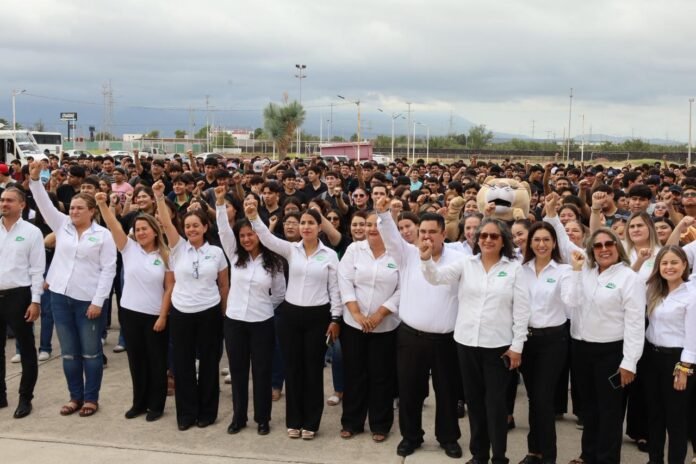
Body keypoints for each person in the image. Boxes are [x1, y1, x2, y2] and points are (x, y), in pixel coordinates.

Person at [420, 217, 530, 464]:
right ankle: (479, 454)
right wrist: (426, 260)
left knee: (495, 404)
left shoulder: (514, 269)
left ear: (503, 240)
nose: (488, 240)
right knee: (475, 402)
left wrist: (517, 346)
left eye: (494, 236)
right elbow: (436, 278)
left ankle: (499, 456)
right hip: (467, 343)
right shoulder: (465, 264)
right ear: (477, 239)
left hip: (498, 347)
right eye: (483, 236)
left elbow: (522, 311)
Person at [375, 197, 464, 459]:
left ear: (443, 234)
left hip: (446, 339)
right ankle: (411, 436)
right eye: (422, 231)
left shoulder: (459, 259)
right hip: (411, 337)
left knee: (447, 392)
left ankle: (448, 437)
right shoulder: (407, 255)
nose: (426, 237)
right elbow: (391, 236)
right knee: (410, 391)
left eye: (432, 232)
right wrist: (383, 213)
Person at [29, 162, 117, 418]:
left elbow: (108, 270)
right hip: (60, 297)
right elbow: (43, 203)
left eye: (80, 208)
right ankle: (75, 397)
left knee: (90, 352)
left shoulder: (103, 235)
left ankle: (91, 398)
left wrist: (98, 301)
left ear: (92, 211)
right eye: (72, 207)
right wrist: (34, 179)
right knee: (69, 354)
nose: (74, 211)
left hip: (88, 301)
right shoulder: (62, 226)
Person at [247, 203, 341, 440]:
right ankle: (294, 421)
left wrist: (336, 318)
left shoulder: (330, 255)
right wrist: (254, 217)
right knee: (293, 368)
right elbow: (267, 238)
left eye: (311, 223)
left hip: (318, 317)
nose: (306, 227)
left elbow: (335, 289)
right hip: (290, 317)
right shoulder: (291, 250)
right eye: (303, 223)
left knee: (313, 370)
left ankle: (311, 422)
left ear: (319, 227)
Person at [562, 228, 645, 464]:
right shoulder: (584, 272)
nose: (604, 249)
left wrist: (629, 362)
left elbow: (635, 323)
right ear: (591, 250)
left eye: (609, 243)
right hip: (581, 349)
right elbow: (571, 302)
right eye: (597, 246)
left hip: (611, 352)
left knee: (610, 411)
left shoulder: (629, 278)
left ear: (618, 247)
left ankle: (607, 459)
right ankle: (588, 455)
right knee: (588, 408)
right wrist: (576, 272)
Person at [154, 180, 229, 431]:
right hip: (182, 312)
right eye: (187, 226)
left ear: (205, 227)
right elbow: (166, 223)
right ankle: (186, 413)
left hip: (209, 312)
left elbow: (224, 285)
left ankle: (207, 412)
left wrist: (224, 313)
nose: (191, 229)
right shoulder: (178, 248)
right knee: (183, 364)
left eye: (196, 225)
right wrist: (158, 196)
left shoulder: (216, 253)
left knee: (208, 363)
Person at [95, 192, 173, 422]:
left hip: (155, 316)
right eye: (137, 229)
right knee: (136, 361)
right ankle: (139, 403)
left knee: (156, 362)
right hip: (130, 313)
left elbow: (169, 288)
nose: (140, 233)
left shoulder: (166, 255)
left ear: (155, 231)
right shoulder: (128, 248)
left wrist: (163, 316)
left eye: (144, 229)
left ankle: (156, 405)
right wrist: (102, 204)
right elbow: (112, 224)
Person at [215, 186, 286, 436]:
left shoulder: (274, 262)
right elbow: (223, 231)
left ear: (260, 234)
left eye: (251, 234)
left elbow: (279, 294)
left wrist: (263, 306)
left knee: (262, 372)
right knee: (238, 371)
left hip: (262, 322)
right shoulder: (235, 256)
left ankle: (262, 418)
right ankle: (239, 417)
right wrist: (220, 203)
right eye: (242, 235)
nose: (246, 239)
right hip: (234, 321)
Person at [337, 211, 400, 442]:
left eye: (378, 225)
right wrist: (356, 313)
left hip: (385, 326)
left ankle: (380, 424)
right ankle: (352, 422)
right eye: (369, 224)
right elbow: (344, 280)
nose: (373, 229)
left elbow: (403, 288)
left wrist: (380, 313)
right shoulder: (354, 250)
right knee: (354, 374)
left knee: (381, 375)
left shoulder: (398, 253)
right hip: (354, 324)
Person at [518, 221, 573, 464]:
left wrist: (577, 274)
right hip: (526, 340)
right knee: (534, 398)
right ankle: (535, 451)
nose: (541, 244)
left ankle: (549, 456)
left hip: (553, 341)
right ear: (530, 243)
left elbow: (571, 301)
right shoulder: (521, 270)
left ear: (554, 243)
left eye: (546, 240)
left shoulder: (564, 270)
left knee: (543, 398)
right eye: (537, 240)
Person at [643, 245, 695, 464]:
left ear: (684, 265)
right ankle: (654, 460)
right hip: (652, 358)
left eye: (674, 262)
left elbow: (693, 336)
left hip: (677, 361)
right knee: (654, 415)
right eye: (664, 263)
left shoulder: (691, 294)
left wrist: (684, 369)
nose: (669, 267)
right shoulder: (654, 290)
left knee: (676, 420)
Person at [0, 187, 45, 418]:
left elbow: (37, 269)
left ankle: (25, 398)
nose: (4, 204)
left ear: (22, 205)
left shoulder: (32, 232)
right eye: (2, 200)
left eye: (9, 200)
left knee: (26, 349)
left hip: (19, 296)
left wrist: (35, 301)